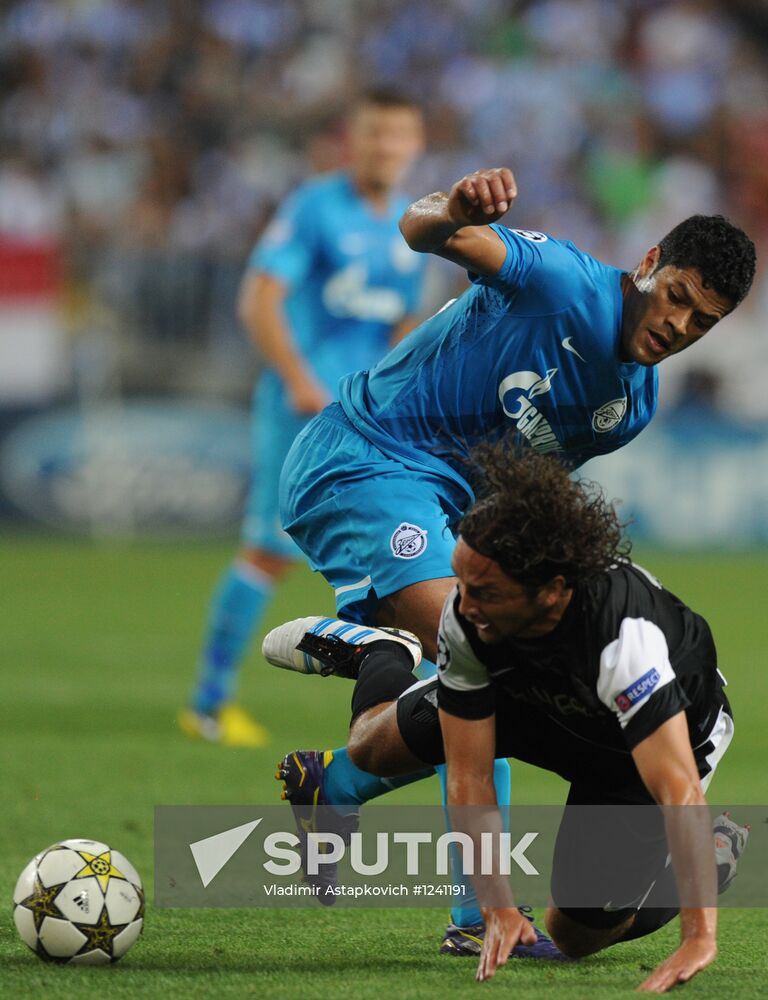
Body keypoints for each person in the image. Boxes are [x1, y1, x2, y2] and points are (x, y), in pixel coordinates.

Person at [263, 166, 755, 946]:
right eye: (678, 298)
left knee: (501, 674)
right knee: (482, 664)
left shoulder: (631, 406)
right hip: (365, 456)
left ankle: (353, 740)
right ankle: (474, 914)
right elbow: (424, 231)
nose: (679, 326)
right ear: (650, 262)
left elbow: (519, 491)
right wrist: (451, 209)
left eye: (703, 322)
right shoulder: (559, 281)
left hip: (449, 513)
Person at [269, 447, 749, 992]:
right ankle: (379, 653)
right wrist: (495, 905)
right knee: (369, 750)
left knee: (575, 935)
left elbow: (678, 790)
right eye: (461, 581)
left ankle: (714, 856)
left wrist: (699, 934)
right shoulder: (473, 617)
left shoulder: (622, 638)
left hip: (630, 752)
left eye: (486, 592)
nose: (462, 606)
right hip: (529, 695)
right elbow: (470, 775)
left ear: (551, 593)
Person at [178, 89, 426, 746]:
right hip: (304, 407)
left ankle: (409, 699)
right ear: (354, 141)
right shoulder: (315, 207)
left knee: (402, 549)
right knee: (268, 549)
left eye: (398, 137)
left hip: (367, 417)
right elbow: (259, 299)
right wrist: (298, 380)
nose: (386, 148)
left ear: (416, 146)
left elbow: (403, 322)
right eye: (374, 135)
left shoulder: (411, 222)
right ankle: (208, 703)